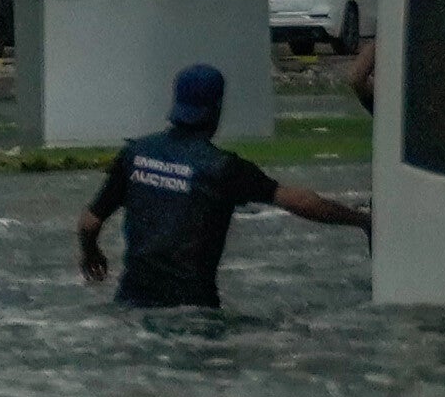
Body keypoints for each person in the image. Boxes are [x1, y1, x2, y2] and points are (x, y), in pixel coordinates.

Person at [77, 60, 363, 311]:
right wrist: (361, 220)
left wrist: (91, 253)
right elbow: (299, 202)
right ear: (216, 110)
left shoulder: (135, 155)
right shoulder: (224, 168)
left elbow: (89, 223)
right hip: (192, 308)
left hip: (131, 301)